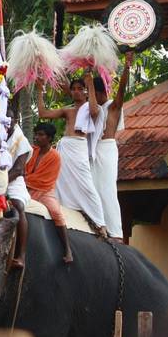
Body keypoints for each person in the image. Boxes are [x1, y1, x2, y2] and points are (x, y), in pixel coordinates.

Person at [37, 71, 106, 236]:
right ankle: (63, 213)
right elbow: (43, 113)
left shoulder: (89, 108)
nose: (76, 91)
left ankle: (100, 223)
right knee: (59, 181)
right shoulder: (68, 111)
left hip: (79, 148)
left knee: (86, 184)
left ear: (84, 91)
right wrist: (40, 90)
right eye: (73, 88)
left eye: (79, 88)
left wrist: (89, 84)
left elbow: (95, 112)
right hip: (65, 147)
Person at [89, 52, 133, 242]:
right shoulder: (92, 108)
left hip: (106, 150)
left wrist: (127, 67)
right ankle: (96, 226)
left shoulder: (112, 107)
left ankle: (115, 232)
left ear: (100, 93)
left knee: (107, 189)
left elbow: (122, 91)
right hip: (91, 151)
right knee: (91, 188)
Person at [24, 123, 73, 264]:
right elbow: (23, 170)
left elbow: (45, 180)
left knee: (56, 212)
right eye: (36, 134)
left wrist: (24, 179)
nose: (37, 137)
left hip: (45, 191)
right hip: (25, 187)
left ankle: (67, 250)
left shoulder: (55, 157)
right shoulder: (31, 151)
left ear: (50, 138)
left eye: (41, 135)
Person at [4, 105, 32, 269]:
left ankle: (21, 255)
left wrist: (0, 184)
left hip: (13, 180)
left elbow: (19, 169)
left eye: (10, 119)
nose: (7, 122)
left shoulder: (22, 140)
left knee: (18, 206)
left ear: (16, 120)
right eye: (4, 119)